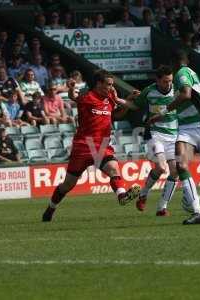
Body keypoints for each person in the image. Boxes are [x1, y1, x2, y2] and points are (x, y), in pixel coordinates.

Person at [42, 70, 141, 222]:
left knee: (114, 168)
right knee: (68, 184)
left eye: (112, 85)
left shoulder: (109, 98)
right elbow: (73, 97)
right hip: (83, 147)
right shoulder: (87, 97)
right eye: (108, 84)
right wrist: (70, 88)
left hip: (101, 147)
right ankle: (51, 208)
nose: (111, 87)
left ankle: (122, 196)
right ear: (99, 84)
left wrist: (127, 99)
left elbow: (120, 114)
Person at [150, 50, 200, 225]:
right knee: (181, 165)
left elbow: (186, 94)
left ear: (175, 63)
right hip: (187, 127)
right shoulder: (185, 73)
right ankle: (197, 212)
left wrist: (163, 111)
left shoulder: (182, 73)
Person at [120, 65, 178, 216]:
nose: (169, 84)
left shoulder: (177, 89)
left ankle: (162, 207)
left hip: (174, 135)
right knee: (161, 167)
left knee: (175, 171)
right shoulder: (149, 91)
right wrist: (119, 99)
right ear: (157, 80)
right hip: (155, 133)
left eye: (170, 81)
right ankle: (144, 194)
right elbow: (134, 106)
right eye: (165, 81)